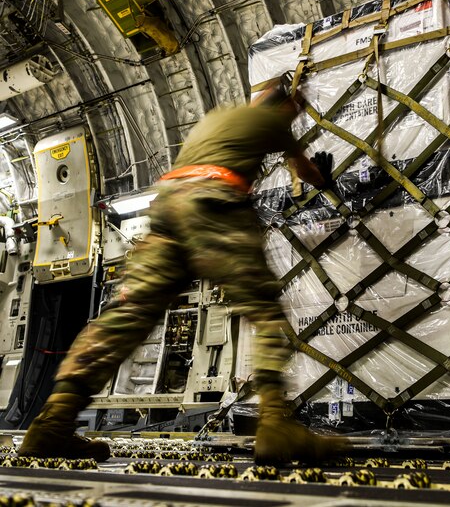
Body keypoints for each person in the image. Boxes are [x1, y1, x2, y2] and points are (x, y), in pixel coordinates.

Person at [19, 84, 344, 465]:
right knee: (265, 311)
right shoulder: (271, 122)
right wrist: (323, 178)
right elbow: (305, 169)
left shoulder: (216, 118)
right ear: (285, 106)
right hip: (213, 203)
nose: (295, 114)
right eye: (295, 108)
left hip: (167, 210)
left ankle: (51, 424)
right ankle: (276, 427)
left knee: (128, 316)